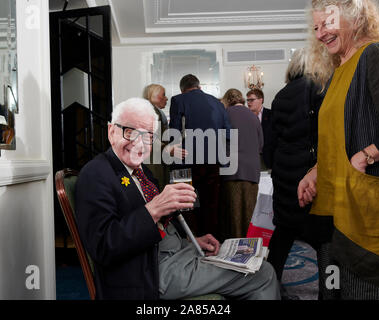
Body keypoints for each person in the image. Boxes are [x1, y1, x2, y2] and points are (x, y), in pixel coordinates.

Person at [76, 97, 280, 300]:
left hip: (177, 255)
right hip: (150, 272)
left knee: (256, 263)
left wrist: (192, 242)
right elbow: (103, 247)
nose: (139, 143)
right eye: (129, 132)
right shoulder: (96, 174)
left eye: (147, 136)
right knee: (263, 273)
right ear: (112, 131)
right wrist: (153, 209)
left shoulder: (141, 171)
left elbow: (162, 230)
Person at [298, 0, 379, 300]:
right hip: (334, 215)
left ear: (355, 17)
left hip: (364, 221)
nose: (321, 33)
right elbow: (337, 140)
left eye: (328, 23)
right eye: (316, 27)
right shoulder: (338, 70)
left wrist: (369, 154)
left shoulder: (373, 55)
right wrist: (315, 171)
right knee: (332, 292)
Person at [264, 48, 334, 299]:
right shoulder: (323, 90)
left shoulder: (281, 96)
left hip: (285, 179)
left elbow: (270, 147)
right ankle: (330, 293)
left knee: (282, 238)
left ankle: (267, 289)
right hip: (313, 180)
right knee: (327, 245)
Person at [169, 74, 231, 238]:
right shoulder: (217, 102)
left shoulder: (178, 100)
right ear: (199, 86)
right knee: (211, 205)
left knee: (186, 204)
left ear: (182, 90)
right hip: (213, 161)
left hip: (186, 161)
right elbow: (228, 133)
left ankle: (192, 241)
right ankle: (212, 241)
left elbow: (173, 134)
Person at [219, 88, 263, 239]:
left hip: (231, 171)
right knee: (249, 213)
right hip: (251, 171)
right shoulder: (253, 117)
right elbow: (260, 145)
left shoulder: (224, 115)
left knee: (233, 215)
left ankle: (233, 249)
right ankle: (250, 246)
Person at [143, 84, 187, 191]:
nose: (166, 98)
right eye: (163, 95)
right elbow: (151, 137)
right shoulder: (151, 112)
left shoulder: (154, 111)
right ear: (154, 96)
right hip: (153, 162)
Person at [246, 88, 273, 169]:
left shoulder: (271, 114)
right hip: (250, 157)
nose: (248, 103)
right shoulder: (245, 116)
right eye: (247, 100)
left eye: (251, 100)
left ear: (261, 100)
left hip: (268, 157)